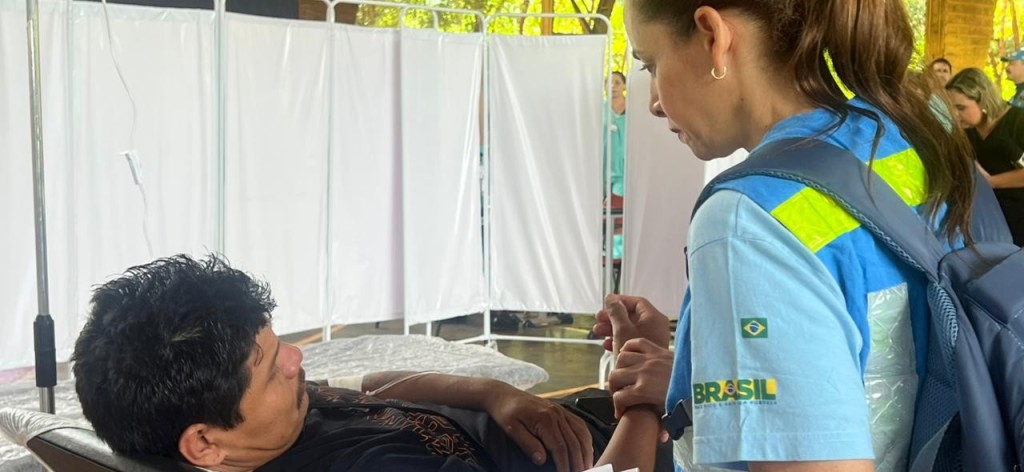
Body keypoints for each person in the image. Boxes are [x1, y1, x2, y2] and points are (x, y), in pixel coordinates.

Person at [592, 0, 978, 471]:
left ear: (713, 36)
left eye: (651, 64)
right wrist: (700, 368)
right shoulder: (908, 140)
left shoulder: (746, 221)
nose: (653, 101)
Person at [72, 255, 663, 472]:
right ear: (204, 444)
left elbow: (369, 385)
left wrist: (491, 393)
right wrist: (646, 399)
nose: (297, 360)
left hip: (589, 424)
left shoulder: (271, 422)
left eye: (281, 345)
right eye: (272, 365)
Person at [946, 67, 1024, 245]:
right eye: (951, 108)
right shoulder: (966, 132)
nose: (955, 115)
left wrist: (991, 182)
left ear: (982, 100)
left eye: (961, 108)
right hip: (989, 222)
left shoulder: (1018, 121)